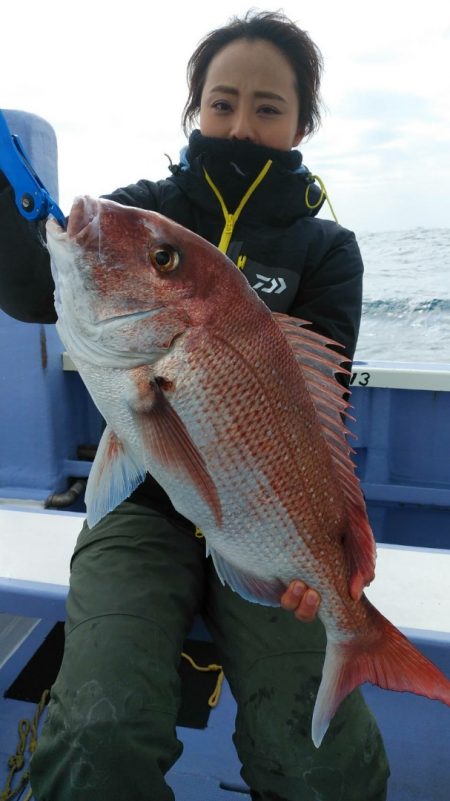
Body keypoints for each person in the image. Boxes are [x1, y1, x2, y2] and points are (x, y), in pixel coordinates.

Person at [0, 10, 389, 801]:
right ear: (196, 108)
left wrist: (326, 559)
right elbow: (33, 288)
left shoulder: (326, 250)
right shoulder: (145, 206)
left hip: (268, 531)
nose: (240, 125)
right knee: (96, 739)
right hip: (142, 506)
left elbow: (321, 409)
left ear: (301, 123)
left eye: (268, 107)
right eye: (222, 102)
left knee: (326, 769)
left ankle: (353, 644)